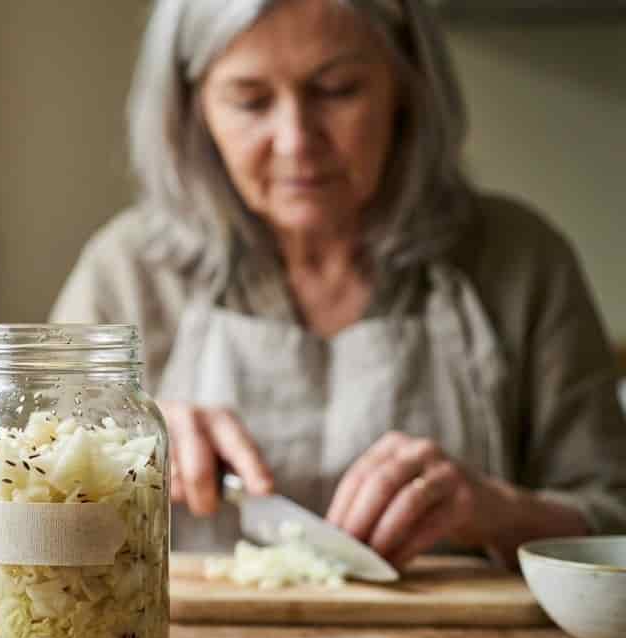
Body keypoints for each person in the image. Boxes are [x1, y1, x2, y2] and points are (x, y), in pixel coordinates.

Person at [50, 0, 626, 568]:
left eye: (338, 90)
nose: (296, 140)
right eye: (250, 101)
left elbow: (611, 513)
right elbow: (19, 506)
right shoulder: (125, 272)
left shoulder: (518, 261)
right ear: (194, 108)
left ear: (407, 92)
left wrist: (497, 510)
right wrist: (119, 449)